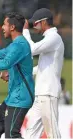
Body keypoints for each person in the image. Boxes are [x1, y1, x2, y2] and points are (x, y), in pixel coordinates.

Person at [23, 8, 64, 138]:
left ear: (44, 22)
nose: (33, 27)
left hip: (48, 92)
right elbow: (42, 67)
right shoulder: (49, 39)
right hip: (40, 93)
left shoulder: (54, 37)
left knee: (52, 134)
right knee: (31, 131)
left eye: (35, 23)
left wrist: (24, 31)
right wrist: (23, 72)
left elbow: (32, 49)